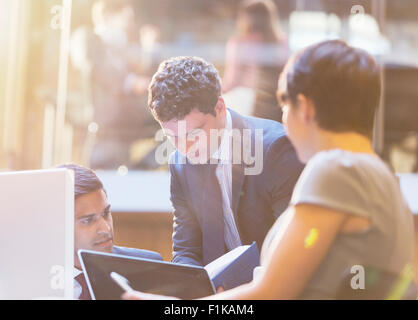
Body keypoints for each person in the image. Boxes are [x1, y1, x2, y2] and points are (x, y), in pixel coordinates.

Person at [124, 40, 415, 300]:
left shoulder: (333, 171)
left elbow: (272, 292)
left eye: (282, 104)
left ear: (305, 107)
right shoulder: (374, 172)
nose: (281, 120)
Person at [147, 56, 304, 268]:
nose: (185, 148)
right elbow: (187, 250)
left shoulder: (276, 150)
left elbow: (294, 251)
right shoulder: (180, 164)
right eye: (173, 137)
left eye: (194, 133)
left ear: (219, 107)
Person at [57, 164, 163, 300]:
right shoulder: (30, 280)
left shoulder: (150, 269)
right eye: (88, 220)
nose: (106, 229)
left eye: (106, 213)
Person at [222, 0, 289, 122]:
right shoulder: (281, 42)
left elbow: (231, 81)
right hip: (276, 107)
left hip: (247, 107)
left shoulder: (239, 43)